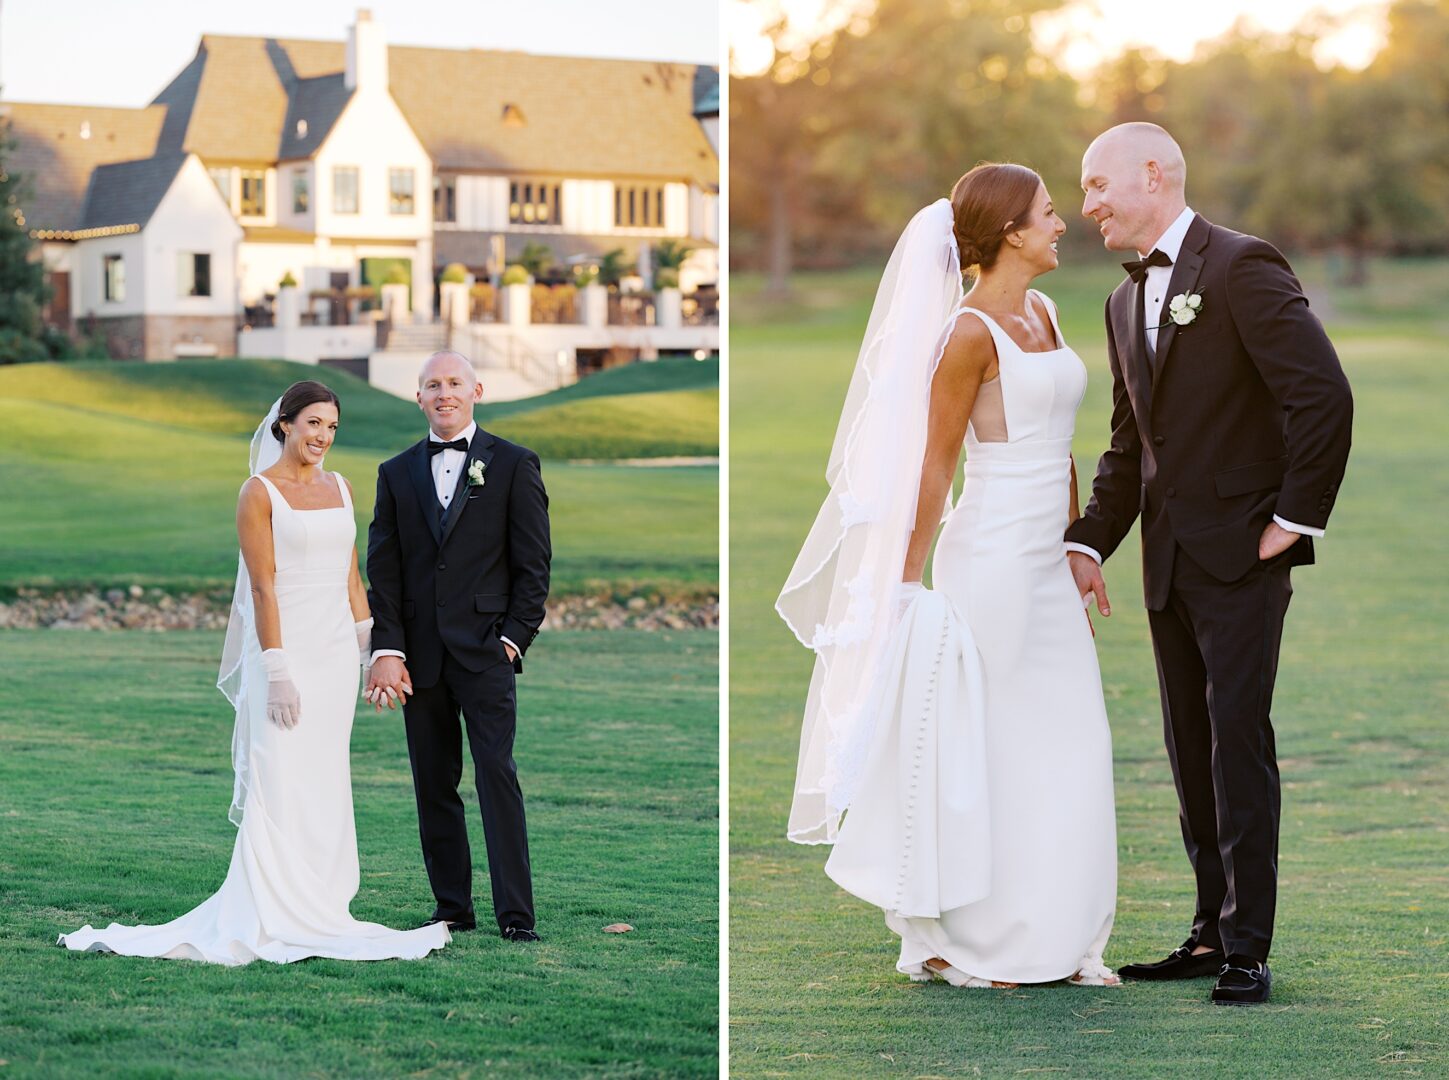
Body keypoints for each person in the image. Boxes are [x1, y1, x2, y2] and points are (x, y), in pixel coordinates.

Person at [780, 164, 1118, 989]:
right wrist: (899, 584)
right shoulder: (967, 334)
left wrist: (1080, 547)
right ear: (1008, 232)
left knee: (1071, 746)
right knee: (996, 749)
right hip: (991, 561)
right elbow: (931, 469)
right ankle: (978, 939)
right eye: (1046, 213)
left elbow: (1061, 447)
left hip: (1047, 561)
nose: (1060, 224)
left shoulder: (1043, 310)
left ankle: (1060, 932)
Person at [1068, 123, 1353, 1005]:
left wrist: (1291, 519)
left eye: (1095, 186)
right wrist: (1086, 539)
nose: (1086, 207)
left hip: (1241, 556)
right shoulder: (1120, 305)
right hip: (1166, 564)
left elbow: (1320, 394)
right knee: (1189, 749)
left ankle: (1246, 948)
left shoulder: (1240, 265)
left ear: (1151, 174)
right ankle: (1204, 933)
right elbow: (1129, 445)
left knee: (1237, 743)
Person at [59, 381, 451, 965]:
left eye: (333, 428)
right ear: (285, 425)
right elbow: (263, 588)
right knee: (279, 775)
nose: (323, 437)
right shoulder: (258, 493)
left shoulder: (342, 486)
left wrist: (373, 655)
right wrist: (278, 668)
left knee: (324, 778)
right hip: (285, 656)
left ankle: (321, 902)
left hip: (336, 656)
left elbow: (350, 579)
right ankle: (270, 907)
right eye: (314, 424)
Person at [365, 350, 550, 941]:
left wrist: (514, 641)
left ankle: (515, 917)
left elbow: (533, 565)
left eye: (453, 383)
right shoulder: (395, 473)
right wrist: (386, 649)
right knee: (432, 783)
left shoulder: (514, 464)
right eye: (430, 385)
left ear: (476, 390)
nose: (443, 393)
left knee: (497, 775)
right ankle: (452, 909)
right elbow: (384, 571)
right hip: (419, 660)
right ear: (418, 398)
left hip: (487, 652)